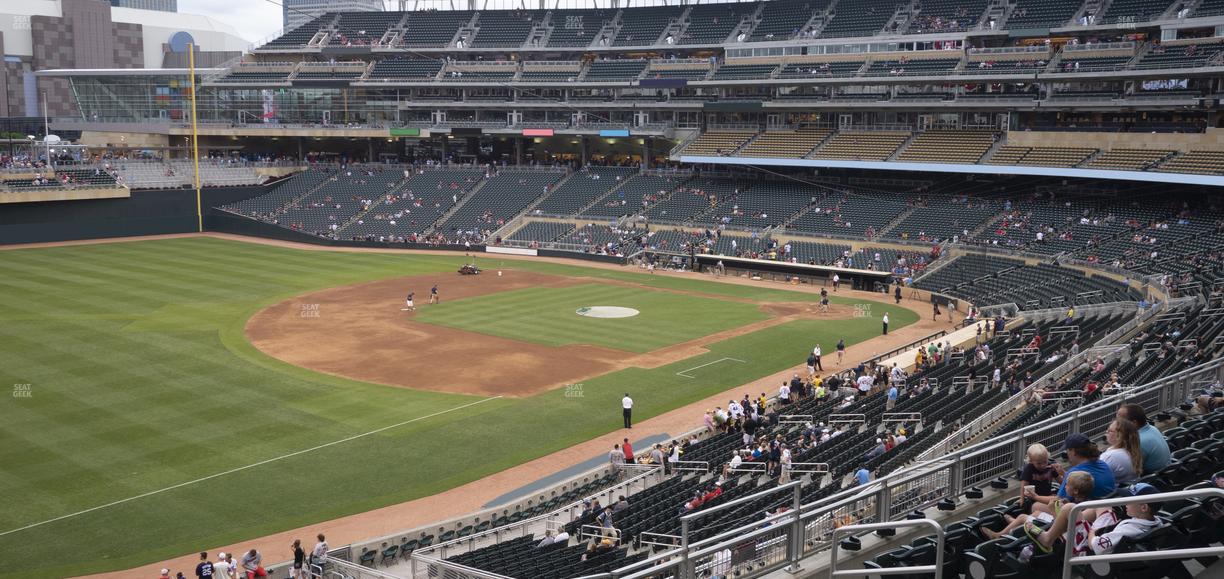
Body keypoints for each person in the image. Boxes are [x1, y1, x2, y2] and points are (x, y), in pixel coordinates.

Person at [1087, 483, 1165, 555]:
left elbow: (1094, 546)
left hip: (1095, 559)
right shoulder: (1158, 522)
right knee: (1101, 507)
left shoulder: (1127, 530)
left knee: (1075, 509)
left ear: (1143, 508)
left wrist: (1092, 531)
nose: (1125, 503)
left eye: (1129, 500)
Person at [1117, 404, 1170, 474]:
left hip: (1154, 480)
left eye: (1120, 421)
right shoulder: (1152, 428)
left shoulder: (1138, 441)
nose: (1116, 424)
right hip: (1166, 474)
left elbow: (1128, 470)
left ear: (1133, 423)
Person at [1019, 443, 1061, 514]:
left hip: (1047, 495)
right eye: (1038, 463)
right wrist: (1022, 498)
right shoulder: (1029, 468)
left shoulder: (1051, 466)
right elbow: (1024, 485)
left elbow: (1060, 481)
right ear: (1031, 461)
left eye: (1045, 461)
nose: (1043, 465)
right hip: (1033, 498)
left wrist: (1060, 471)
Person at [1101, 419, 1141, 485]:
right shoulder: (1133, 450)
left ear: (1120, 436)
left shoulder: (1110, 456)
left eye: (1110, 431)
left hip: (1114, 492)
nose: (1106, 432)